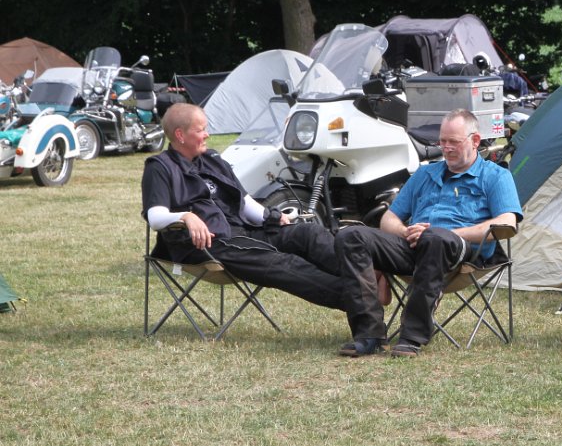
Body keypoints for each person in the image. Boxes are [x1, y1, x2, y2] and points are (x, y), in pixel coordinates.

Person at [335, 109, 522, 358]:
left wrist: (451, 233)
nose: (445, 148)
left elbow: (507, 223)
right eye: (441, 141)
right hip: (413, 246)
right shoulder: (425, 173)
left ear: (475, 140)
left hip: (462, 252)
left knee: (436, 238)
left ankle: (412, 336)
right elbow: (389, 218)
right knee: (351, 235)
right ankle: (369, 334)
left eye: (453, 142)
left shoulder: (496, 176)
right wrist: (405, 231)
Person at [141, 103, 352, 316]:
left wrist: (270, 216)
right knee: (283, 264)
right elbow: (155, 216)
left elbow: (244, 200)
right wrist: (186, 216)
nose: (207, 135)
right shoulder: (160, 167)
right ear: (180, 135)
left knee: (308, 233)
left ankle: (364, 276)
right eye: (200, 130)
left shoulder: (211, 159)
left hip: (242, 231)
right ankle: (359, 298)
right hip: (209, 244)